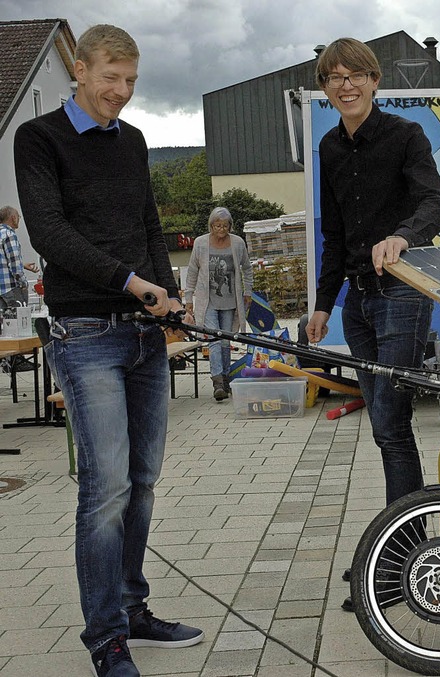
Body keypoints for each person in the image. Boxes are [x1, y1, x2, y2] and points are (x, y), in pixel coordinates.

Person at [14, 24, 203, 677]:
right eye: (109, 78)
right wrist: (131, 282)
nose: (119, 92)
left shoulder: (134, 142)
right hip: (85, 333)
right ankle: (106, 637)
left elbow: (149, 224)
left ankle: (131, 606)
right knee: (106, 488)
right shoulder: (37, 140)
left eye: (130, 81)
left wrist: (171, 297)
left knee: (142, 483)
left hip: (146, 333)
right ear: (80, 68)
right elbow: (50, 233)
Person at [305, 37, 440, 611]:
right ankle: (402, 549)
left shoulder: (405, 136)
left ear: (374, 81)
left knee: (391, 425)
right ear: (326, 89)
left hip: (402, 293)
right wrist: (322, 303)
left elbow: (436, 203)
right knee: (385, 429)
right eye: (334, 78)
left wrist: (402, 237)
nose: (345, 85)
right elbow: (334, 235)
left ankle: (398, 564)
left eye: (355, 75)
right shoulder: (329, 147)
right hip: (358, 305)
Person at [184, 207, 252, 401]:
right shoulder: (200, 243)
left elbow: (247, 268)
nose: (221, 229)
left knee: (225, 341)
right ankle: (217, 382)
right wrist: (189, 298)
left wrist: (248, 291)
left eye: (224, 225)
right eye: (217, 225)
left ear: (230, 226)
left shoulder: (237, 243)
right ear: (211, 226)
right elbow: (192, 272)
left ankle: (226, 377)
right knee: (214, 340)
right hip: (208, 302)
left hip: (231, 301)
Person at [0, 205, 39, 310]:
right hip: (11, 289)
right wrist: (23, 283)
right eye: (18, 216)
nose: (19, 219)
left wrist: (23, 265)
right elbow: (14, 265)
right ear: (13, 218)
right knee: (18, 324)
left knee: (4, 325)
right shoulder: (9, 234)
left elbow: (3, 261)